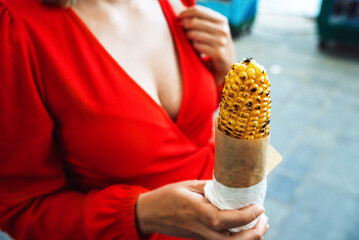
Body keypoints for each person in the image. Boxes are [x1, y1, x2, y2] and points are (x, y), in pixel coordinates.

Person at [0, 0, 269, 239]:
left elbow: (191, 127)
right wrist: (142, 213)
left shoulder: (180, 4)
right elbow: (21, 209)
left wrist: (224, 74)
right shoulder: (17, 27)